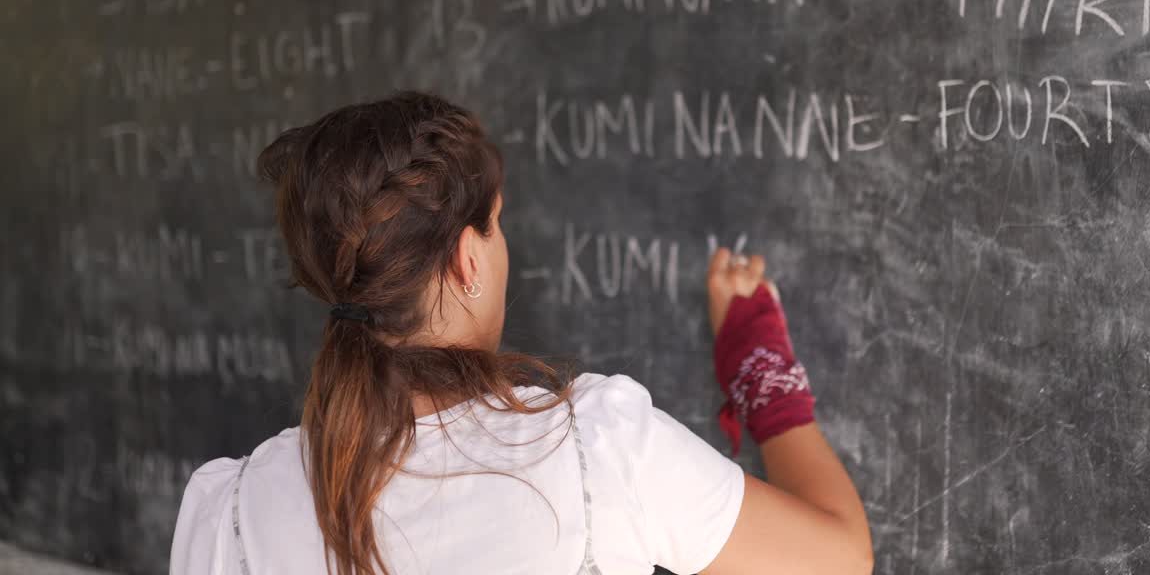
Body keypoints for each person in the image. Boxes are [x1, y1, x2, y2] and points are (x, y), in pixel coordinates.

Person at [170, 93, 872, 575]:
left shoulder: (225, 514)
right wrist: (759, 364)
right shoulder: (599, 455)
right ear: (467, 259)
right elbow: (840, 556)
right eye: (496, 223)